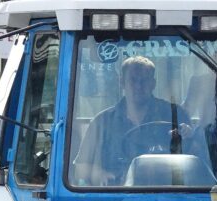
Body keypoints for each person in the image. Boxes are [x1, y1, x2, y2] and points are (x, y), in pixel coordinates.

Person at [72, 55, 191, 186]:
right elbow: (80, 167)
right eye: (133, 80)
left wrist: (187, 137)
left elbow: (197, 160)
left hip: (166, 195)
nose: (138, 86)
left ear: (153, 83)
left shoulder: (176, 115)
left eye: (144, 80)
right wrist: (99, 174)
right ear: (122, 82)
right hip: (115, 197)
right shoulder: (102, 122)